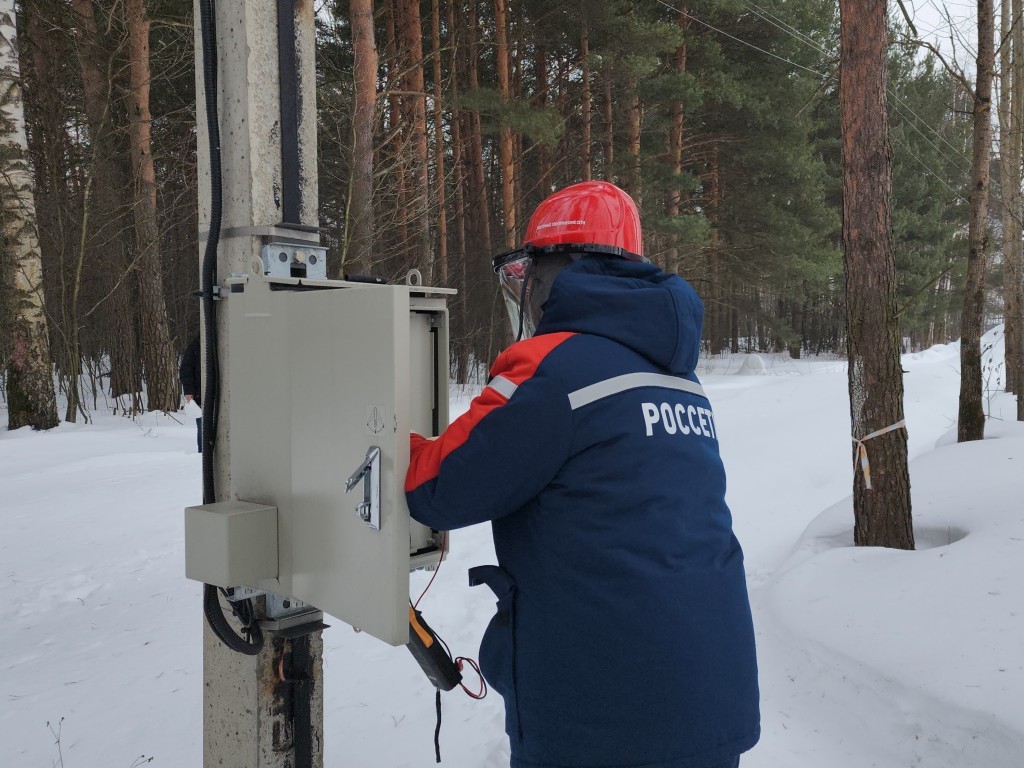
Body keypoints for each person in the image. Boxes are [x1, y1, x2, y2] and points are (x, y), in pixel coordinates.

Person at [405, 181, 760, 768]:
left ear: (561, 271)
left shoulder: (552, 367)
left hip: (604, 715)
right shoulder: (677, 376)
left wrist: (382, 437)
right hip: (711, 695)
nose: (528, 294)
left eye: (530, 276)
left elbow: (438, 487)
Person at [179, 335, 202, 453]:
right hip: (200, 394)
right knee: (203, 426)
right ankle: (202, 455)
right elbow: (186, 369)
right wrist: (188, 391)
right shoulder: (196, 345)